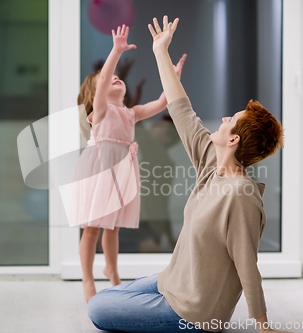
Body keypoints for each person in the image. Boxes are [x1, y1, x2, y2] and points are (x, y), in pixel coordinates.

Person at [87, 16, 292, 333]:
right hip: (170, 282)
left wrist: (262, 325)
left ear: (234, 139)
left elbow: (247, 264)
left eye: (230, 120)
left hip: (192, 312)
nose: (223, 118)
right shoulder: (212, 164)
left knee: (98, 308)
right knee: (109, 294)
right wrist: (160, 52)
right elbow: (182, 110)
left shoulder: (241, 197)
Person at [70, 24, 186, 303]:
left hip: (120, 172)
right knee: (92, 228)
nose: (116, 79)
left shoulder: (130, 113)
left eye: (118, 78)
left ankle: (112, 270)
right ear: (95, 92)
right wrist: (116, 50)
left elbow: (161, 102)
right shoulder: (100, 110)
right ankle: (88, 278)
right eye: (109, 80)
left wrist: (173, 75)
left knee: (113, 227)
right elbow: (107, 74)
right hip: (98, 170)